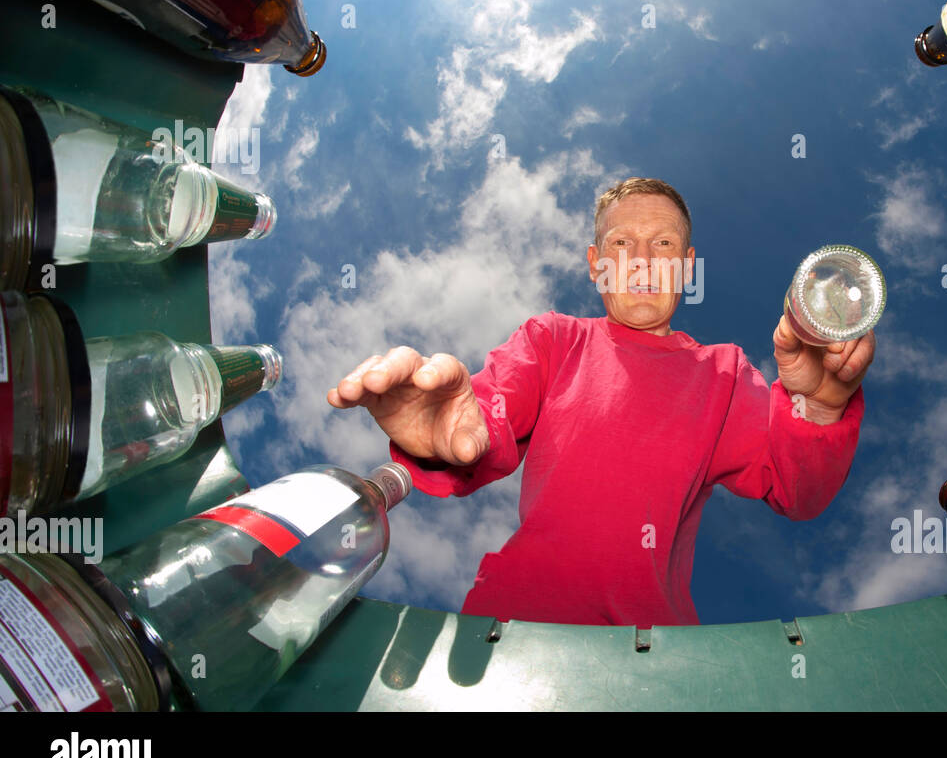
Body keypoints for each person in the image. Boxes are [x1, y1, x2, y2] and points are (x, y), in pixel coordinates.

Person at [326, 177, 874, 627]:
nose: (639, 260)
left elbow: (797, 489)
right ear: (595, 263)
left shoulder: (725, 375)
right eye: (620, 243)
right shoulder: (553, 340)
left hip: (658, 659)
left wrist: (820, 407)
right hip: (510, 636)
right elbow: (489, 416)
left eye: (661, 245)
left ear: (685, 267)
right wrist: (447, 435)